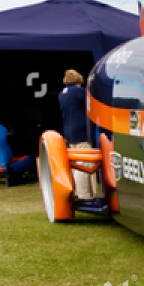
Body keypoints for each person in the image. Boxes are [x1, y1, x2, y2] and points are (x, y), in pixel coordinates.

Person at [59, 70, 101, 201]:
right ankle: (83, 195)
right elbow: (94, 106)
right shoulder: (79, 92)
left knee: (77, 163)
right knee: (84, 165)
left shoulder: (62, 94)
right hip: (82, 132)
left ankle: (89, 193)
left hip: (69, 133)